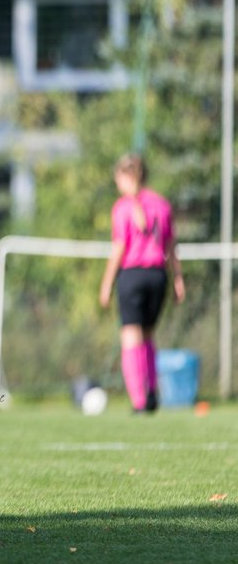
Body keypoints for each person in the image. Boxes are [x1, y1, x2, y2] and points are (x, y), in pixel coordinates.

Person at [98, 153, 185, 413]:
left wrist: (106, 284)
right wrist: (178, 279)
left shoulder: (122, 207)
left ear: (127, 178)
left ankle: (139, 399)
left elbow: (119, 249)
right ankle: (153, 392)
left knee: (130, 337)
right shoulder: (162, 204)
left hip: (133, 276)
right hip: (158, 277)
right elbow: (171, 246)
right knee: (147, 336)